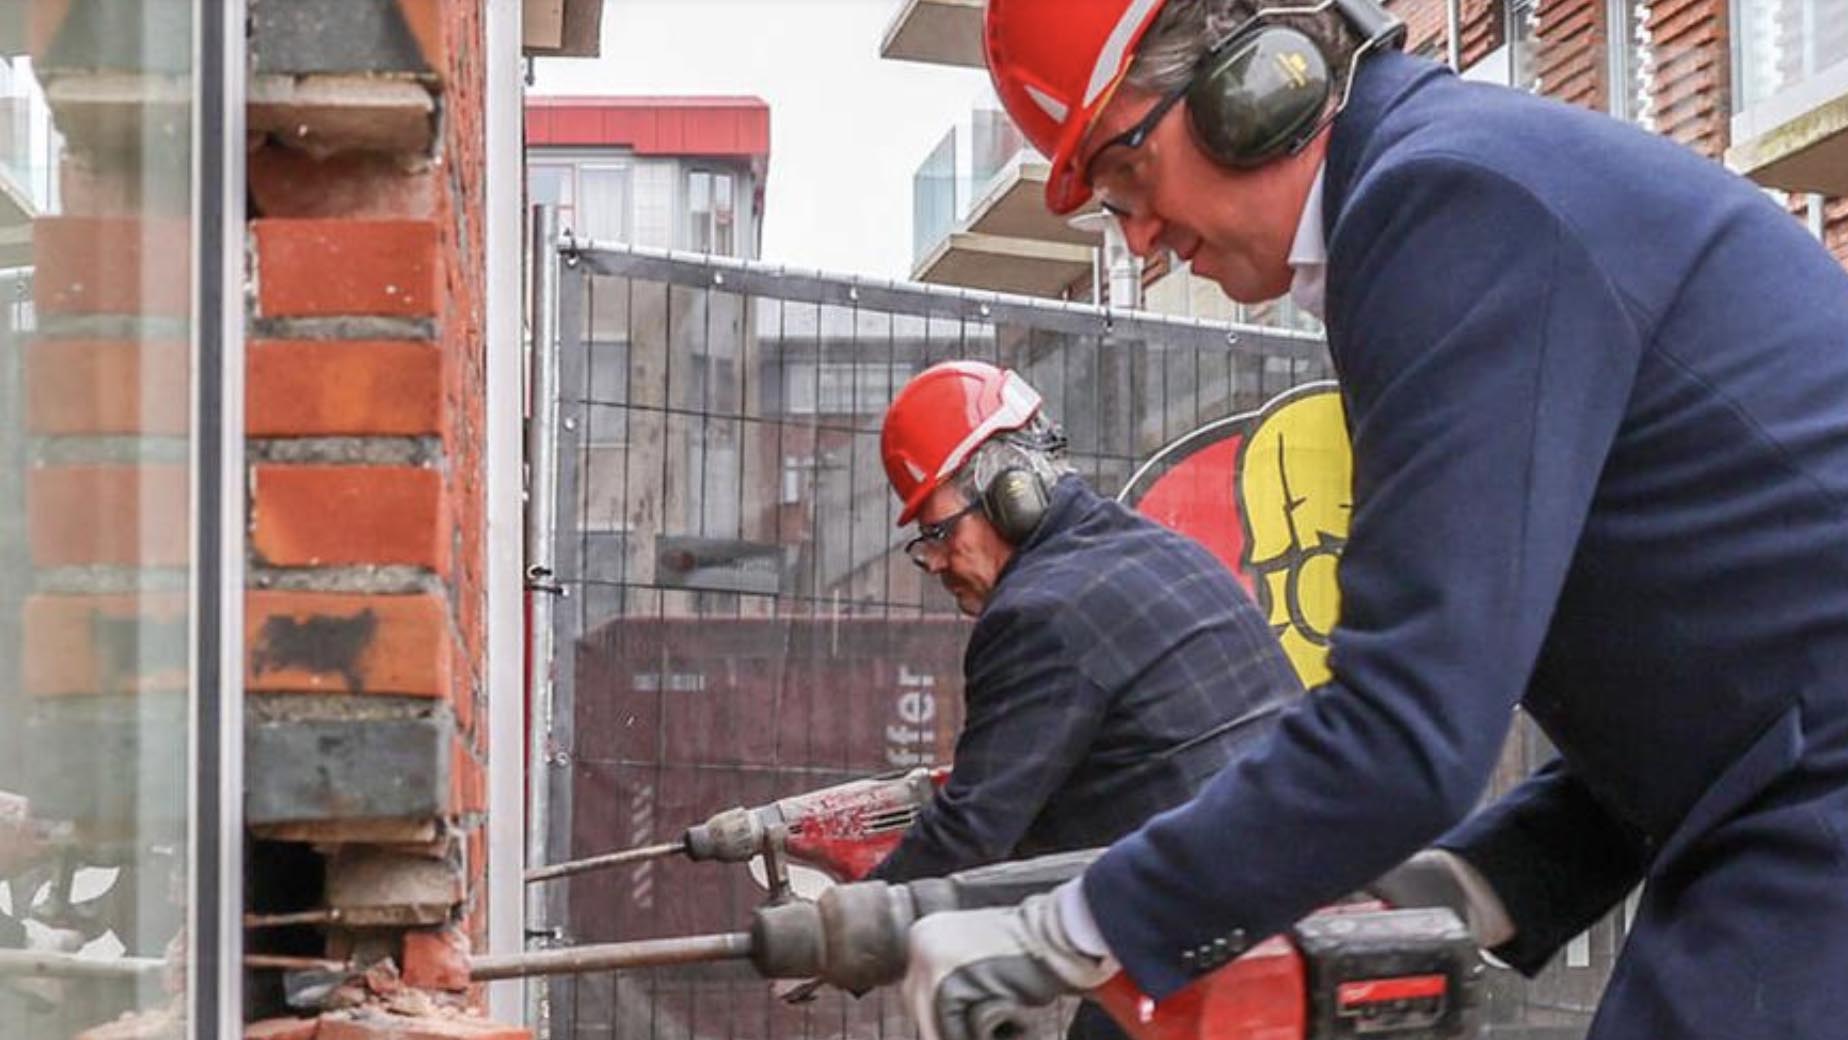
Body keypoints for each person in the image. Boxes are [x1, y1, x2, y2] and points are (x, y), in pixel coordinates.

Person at [898, 1, 1848, 1039]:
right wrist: (1479, 878)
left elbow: (1407, 727)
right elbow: (1730, 680)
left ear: (1252, 82)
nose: (1139, 235)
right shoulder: (1454, 194)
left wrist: (1068, 929)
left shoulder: (1445, 210)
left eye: (1127, 169)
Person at [870, 358, 1303, 1040]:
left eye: (939, 531)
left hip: (1204, 948)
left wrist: (849, 927)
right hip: (1296, 916)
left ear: (1013, 493)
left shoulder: (1039, 613)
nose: (935, 564)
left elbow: (974, 832)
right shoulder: (1166, 554)